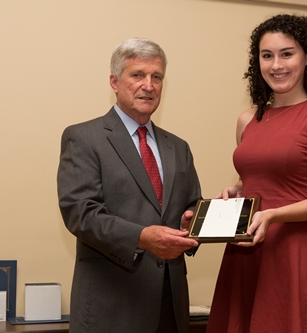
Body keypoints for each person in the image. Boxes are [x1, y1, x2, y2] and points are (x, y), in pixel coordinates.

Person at [206, 14, 307, 333]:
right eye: (267, 55)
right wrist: (237, 190)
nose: (276, 65)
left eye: (287, 53)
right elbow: (261, 179)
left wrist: (273, 215)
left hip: (294, 252)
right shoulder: (247, 120)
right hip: (245, 252)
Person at [57, 37, 201, 333]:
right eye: (137, 75)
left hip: (170, 309)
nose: (148, 85)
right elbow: (80, 213)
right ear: (115, 81)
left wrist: (193, 220)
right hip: (111, 308)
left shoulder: (179, 147)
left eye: (157, 77)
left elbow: (190, 205)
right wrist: (142, 237)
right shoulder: (83, 138)